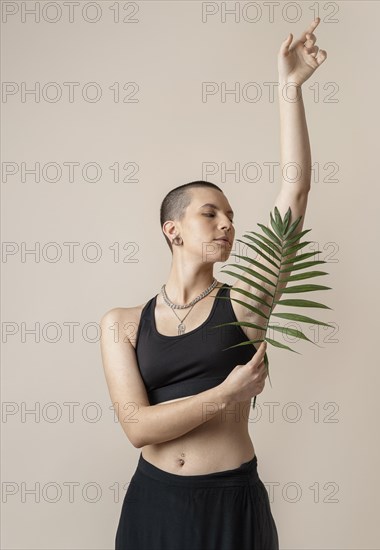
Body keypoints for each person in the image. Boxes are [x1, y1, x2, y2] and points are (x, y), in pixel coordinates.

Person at [99, 18, 327, 550]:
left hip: (231, 501)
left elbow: (293, 195)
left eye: (231, 215)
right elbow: (138, 428)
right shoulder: (122, 325)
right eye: (210, 214)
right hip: (153, 502)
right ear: (171, 229)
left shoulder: (245, 302)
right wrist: (226, 394)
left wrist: (289, 87)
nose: (228, 224)